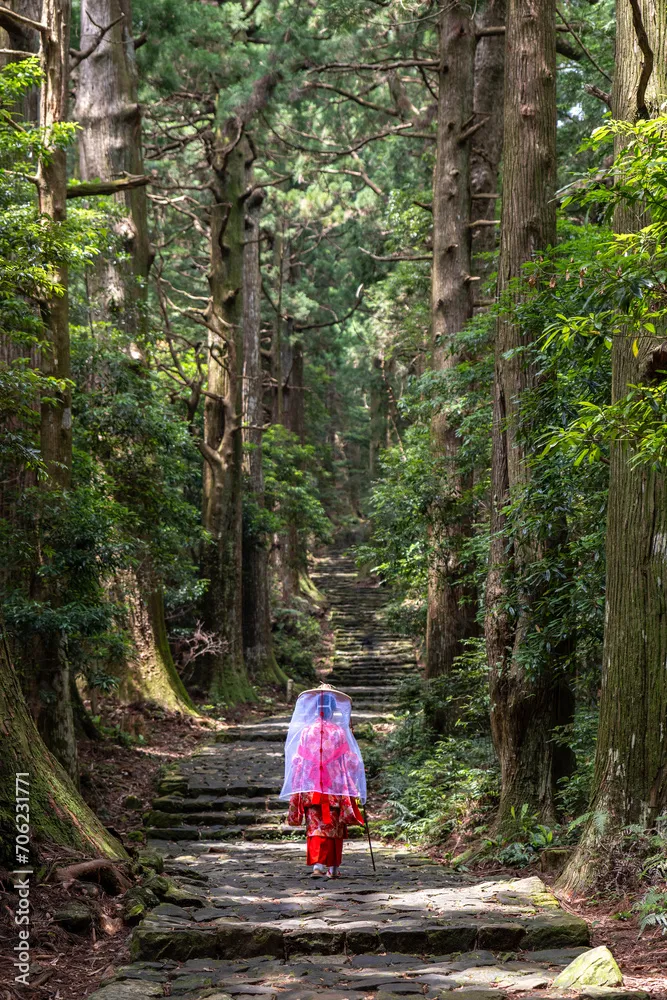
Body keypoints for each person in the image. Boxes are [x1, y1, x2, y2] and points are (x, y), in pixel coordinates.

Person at [280, 686, 366, 878]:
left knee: (315, 824)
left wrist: (298, 783)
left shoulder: (306, 732)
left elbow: (298, 760)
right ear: (332, 710)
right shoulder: (338, 732)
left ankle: (318, 865)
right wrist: (356, 769)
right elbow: (348, 760)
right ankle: (333, 868)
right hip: (335, 787)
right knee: (334, 826)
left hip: (312, 787)